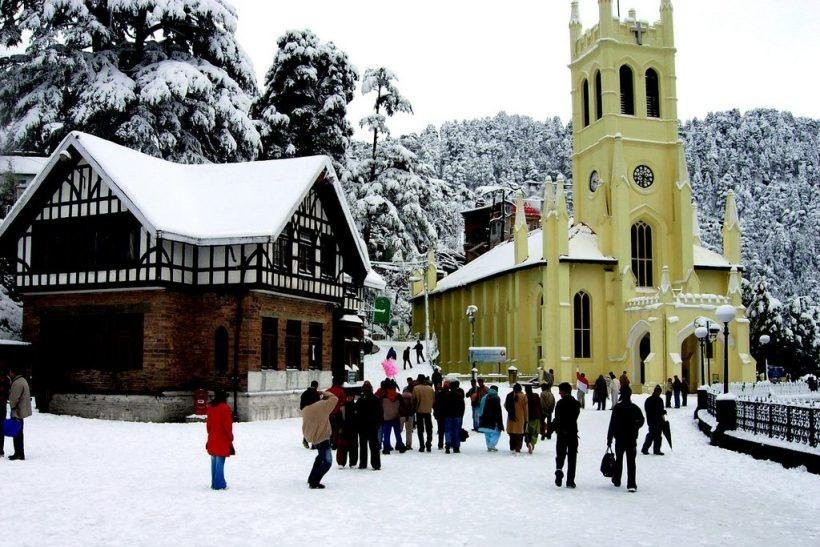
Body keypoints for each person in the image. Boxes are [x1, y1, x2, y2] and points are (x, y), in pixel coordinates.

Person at [607, 386, 645, 493]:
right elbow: (642, 420)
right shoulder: (635, 408)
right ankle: (631, 484)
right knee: (631, 462)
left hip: (619, 438)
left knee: (619, 460)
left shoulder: (617, 408)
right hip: (631, 438)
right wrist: (636, 427)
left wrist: (609, 438)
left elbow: (612, 424)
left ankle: (617, 479)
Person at [302, 389, 338, 488]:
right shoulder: (321, 406)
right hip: (323, 437)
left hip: (314, 438)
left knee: (320, 458)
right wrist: (324, 393)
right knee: (327, 462)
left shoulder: (305, 409)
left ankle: (311, 478)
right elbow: (334, 399)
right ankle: (314, 481)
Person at [553, 382, 580, 488]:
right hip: (572, 433)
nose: (559, 393)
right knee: (572, 457)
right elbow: (575, 417)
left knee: (560, 454)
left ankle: (559, 470)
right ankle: (570, 480)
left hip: (561, 433)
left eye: (560, 391)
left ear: (564, 391)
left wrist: (555, 428)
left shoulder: (560, 403)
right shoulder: (576, 403)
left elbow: (557, 418)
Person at [205, 389, 233, 490]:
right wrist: (230, 437)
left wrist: (210, 435)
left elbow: (208, 425)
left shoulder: (211, 407)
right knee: (220, 461)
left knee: (214, 461)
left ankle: (214, 482)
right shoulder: (225, 408)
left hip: (212, 437)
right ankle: (219, 484)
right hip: (222, 438)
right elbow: (227, 426)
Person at [355, 381, 382, 470]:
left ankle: (363, 463)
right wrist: (378, 423)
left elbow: (357, 413)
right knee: (374, 446)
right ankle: (376, 464)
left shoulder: (360, 400)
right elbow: (380, 413)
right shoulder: (376, 399)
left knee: (363, 446)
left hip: (362, 426)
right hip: (373, 426)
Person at [7, 366, 31, 461]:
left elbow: (14, 399)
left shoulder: (17, 383)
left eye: (10, 372)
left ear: (13, 372)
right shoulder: (23, 380)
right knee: (19, 432)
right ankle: (19, 452)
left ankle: (19, 453)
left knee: (17, 433)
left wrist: (12, 407)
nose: (9, 374)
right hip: (21, 410)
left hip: (17, 411)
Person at [379, 380, 406, 454]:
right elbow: (402, 406)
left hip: (386, 417)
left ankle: (386, 448)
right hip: (395, 416)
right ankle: (400, 445)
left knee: (386, 434)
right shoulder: (398, 396)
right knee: (397, 433)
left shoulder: (383, 396)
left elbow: (380, 407)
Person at [336, 391, 359, 468]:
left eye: (351, 396)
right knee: (342, 447)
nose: (349, 398)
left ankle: (353, 463)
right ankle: (341, 463)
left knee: (353, 447)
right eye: (348, 396)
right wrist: (339, 427)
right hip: (344, 429)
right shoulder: (342, 406)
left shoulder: (356, 406)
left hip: (353, 430)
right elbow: (339, 418)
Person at [412, 375, 435, 452]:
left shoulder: (416, 388)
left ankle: (422, 446)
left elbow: (413, 400)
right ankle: (428, 443)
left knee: (420, 429)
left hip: (419, 411)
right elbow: (434, 400)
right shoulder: (430, 389)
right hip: (428, 411)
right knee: (429, 429)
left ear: (419, 380)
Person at [641, 385, 666, 455]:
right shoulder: (651, 400)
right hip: (653, 420)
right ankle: (645, 449)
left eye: (659, 392)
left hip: (656, 420)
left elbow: (660, 410)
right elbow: (649, 411)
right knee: (652, 435)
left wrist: (663, 413)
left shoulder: (658, 400)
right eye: (658, 392)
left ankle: (656, 450)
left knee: (657, 435)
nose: (659, 393)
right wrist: (661, 412)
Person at [477, 385, 504, 451]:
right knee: (496, 432)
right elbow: (498, 410)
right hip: (493, 419)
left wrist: (480, 417)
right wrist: (500, 422)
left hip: (484, 418)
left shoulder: (484, 397)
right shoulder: (496, 398)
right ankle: (491, 445)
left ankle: (489, 445)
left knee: (487, 432)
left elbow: (480, 409)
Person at [504, 383, 528, 453]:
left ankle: (512, 447)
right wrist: (526, 419)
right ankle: (518, 447)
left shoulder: (509, 396)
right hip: (520, 419)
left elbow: (505, 405)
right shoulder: (523, 397)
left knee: (512, 434)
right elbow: (526, 410)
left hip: (511, 418)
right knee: (519, 434)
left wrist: (511, 412)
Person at [443, 380, 465, 453]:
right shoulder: (460, 395)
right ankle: (456, 447)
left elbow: (444, 406)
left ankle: (448, 445)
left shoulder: (446, 395)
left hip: (448, 415)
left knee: (448, 431)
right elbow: (462, 406)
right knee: (456, 431)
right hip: (457, 415)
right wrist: (461, 415)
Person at [327, 378, 346, 449]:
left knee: (329, 428)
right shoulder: (341, 391)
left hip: (329, 413)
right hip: (337, 413)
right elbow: (343, 403)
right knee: (337, 429)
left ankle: (330, 441)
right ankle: (335, 444)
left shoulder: (328, 391)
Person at [299, 380, 320, 448]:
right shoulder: (316, 394)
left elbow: (301, 405)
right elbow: (318, 404)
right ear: (316, 386)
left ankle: (305, 441)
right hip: (314, 413)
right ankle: (313, 443)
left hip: (306, 413)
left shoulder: (304, 393)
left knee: (307, 427)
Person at [524, 384, 543, 453]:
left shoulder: (525, 396)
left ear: (525, 390)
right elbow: (540, 406)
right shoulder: (536, 396)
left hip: (527, 417)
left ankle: (528, 442)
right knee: (535, 432)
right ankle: (532, 443)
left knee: (527, 432)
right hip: (536, 417)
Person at [433, 380, 450, 450]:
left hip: (440, 414)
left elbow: (435, 404)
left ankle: (440, 444)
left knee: (440, 430)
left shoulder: (439, 394)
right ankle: (448, 443)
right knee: (448, 429)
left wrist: (435, 412)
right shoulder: (449, 394)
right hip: (448, 414)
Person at [400, 378, 415, 451]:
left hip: (402, 415)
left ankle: (399, 442)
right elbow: (413, 405)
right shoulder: (411, 396)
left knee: (399, 430)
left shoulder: (401, 396)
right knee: (409, 431)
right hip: (410, 415)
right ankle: (408, 444)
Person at [0, 367, 9, 457]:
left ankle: (1, 450)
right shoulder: (7, 380)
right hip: (3, 406)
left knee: (1, 428)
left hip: (2, 406)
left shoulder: (6, 380)